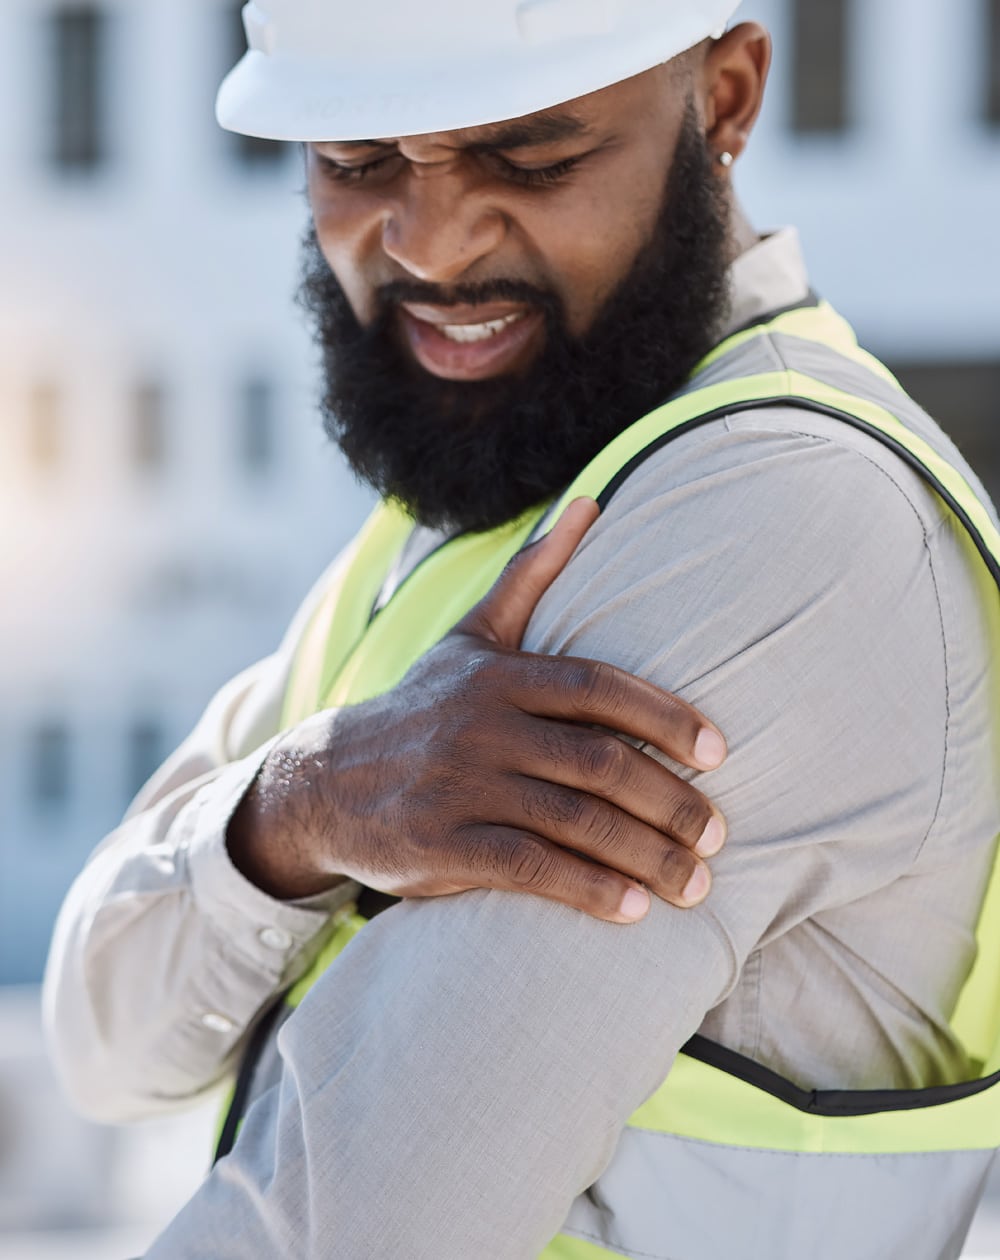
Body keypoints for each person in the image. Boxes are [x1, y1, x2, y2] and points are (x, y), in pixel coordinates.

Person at [43, 2, 1000, 1257]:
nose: (432, 245)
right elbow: (104, 1039)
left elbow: (346, 1230)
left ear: (723, 98)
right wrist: (295, 813)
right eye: (356, 162)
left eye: (532, 157)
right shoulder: (454, 526)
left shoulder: (778, 516)